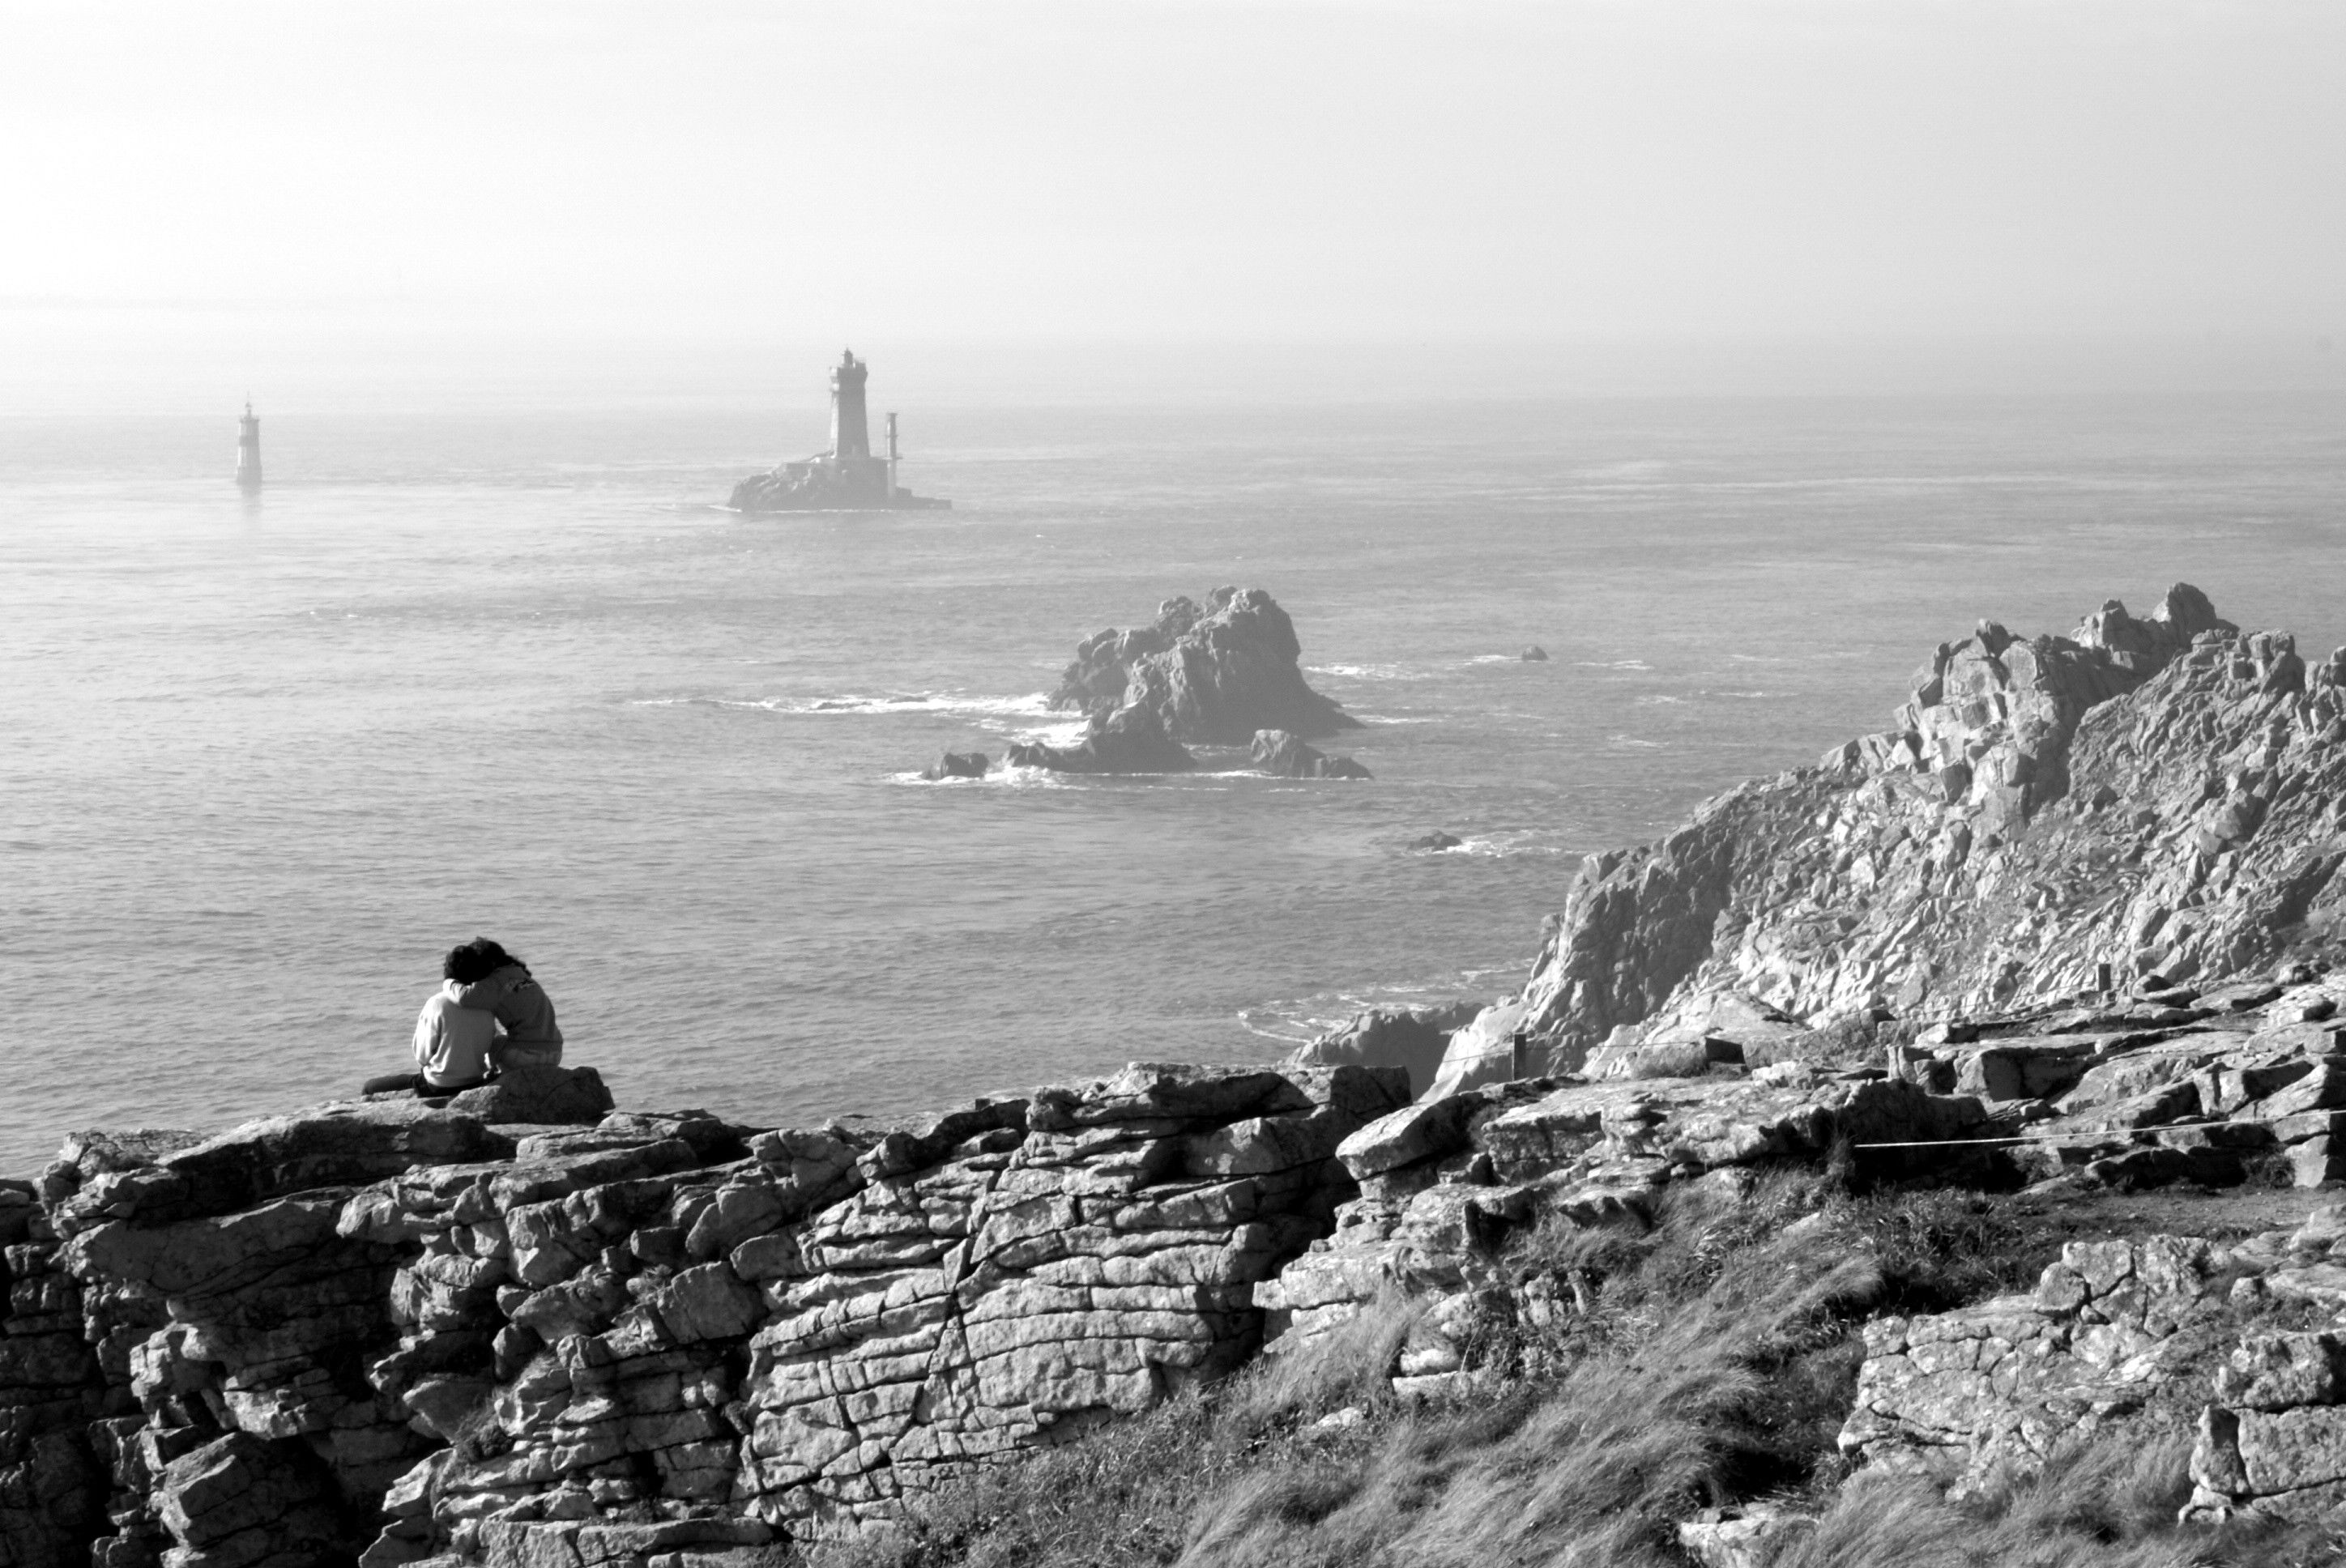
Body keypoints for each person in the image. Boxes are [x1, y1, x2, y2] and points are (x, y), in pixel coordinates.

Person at [360, 945, 505, 1097]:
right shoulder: (486, 1005)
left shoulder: (438, 1003)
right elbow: (492, 1044)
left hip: (438, 1085)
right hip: (474, 1083)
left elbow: (421, 1055)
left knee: (369, 1088)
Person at [447, 937, 564, 1070]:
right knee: (500, 1036)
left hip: (526, 1055)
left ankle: (485, 1077)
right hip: (555, 1052)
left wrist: (449, 981)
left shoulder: (496, 981)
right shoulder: (523, 976)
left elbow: (464, 998)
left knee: (490, 1040)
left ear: (486, 963)